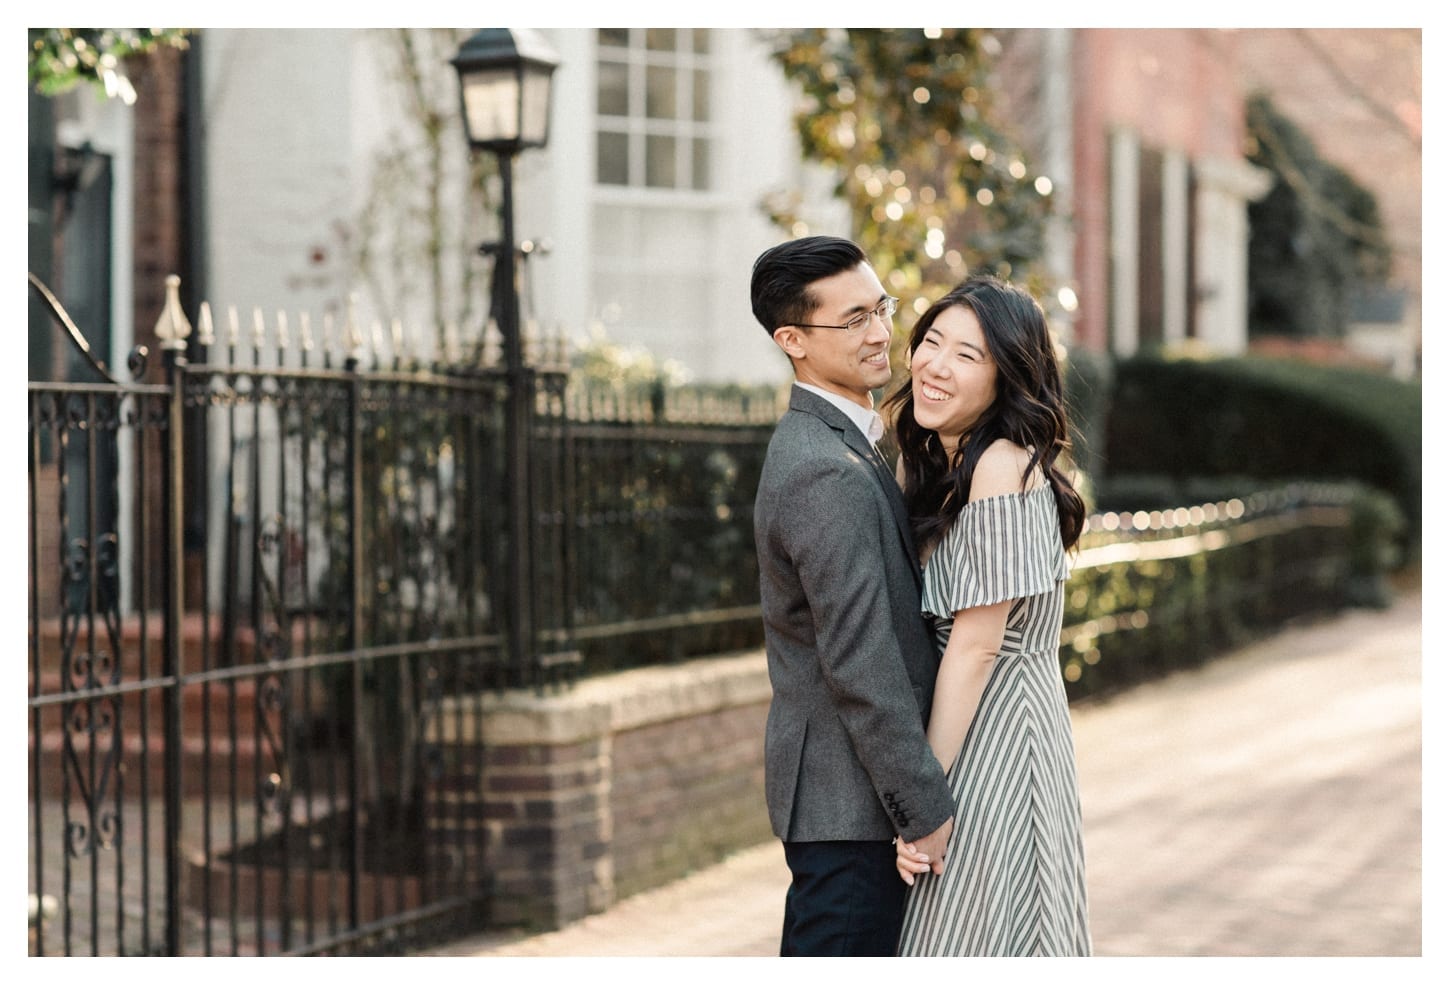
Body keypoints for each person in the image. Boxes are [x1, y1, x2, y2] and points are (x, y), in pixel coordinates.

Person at [750, 235, 956, 956]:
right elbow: (861, 663)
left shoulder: (848, 444)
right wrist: (922, 807)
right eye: (854, 320)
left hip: (849, 804)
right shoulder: (824, 471)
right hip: (852, 808)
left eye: (880, 308)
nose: (879, 333)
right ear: (793, 340)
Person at [885, 275, 1092, 956]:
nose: (935, 365)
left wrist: (926, 800)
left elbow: (975, 648)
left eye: (968, 355)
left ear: (1008, 380)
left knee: (972, 937)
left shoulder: (1002, 462)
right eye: (932, 341)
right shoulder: (940, 465)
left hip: (999, 733)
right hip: (971, 722)